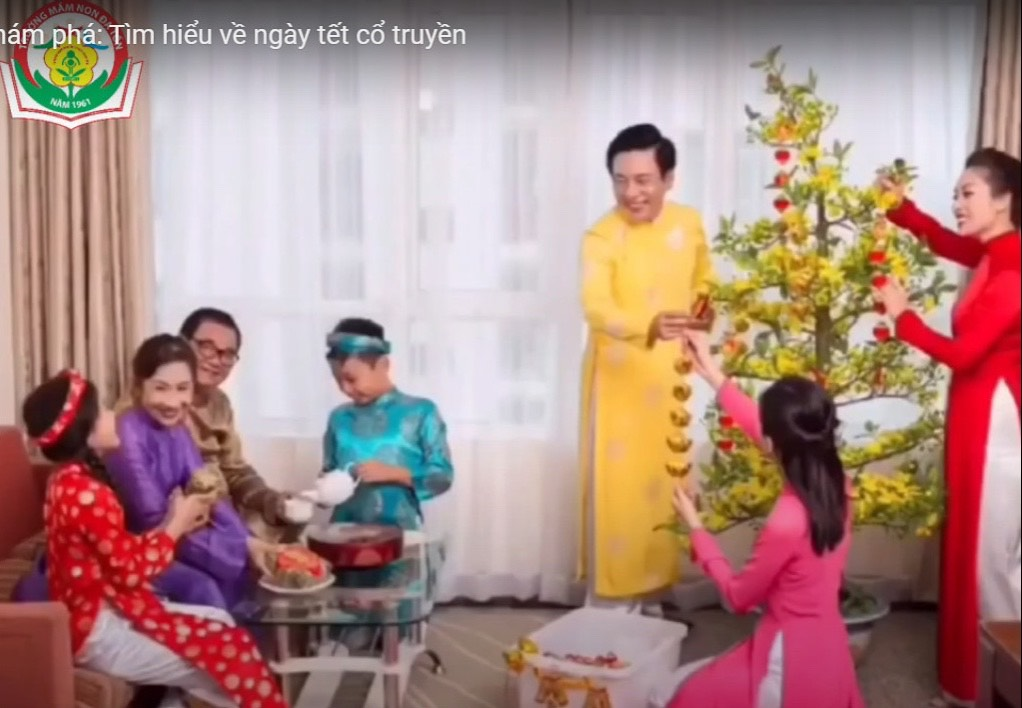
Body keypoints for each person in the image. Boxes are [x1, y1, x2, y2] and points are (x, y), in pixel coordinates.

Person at [21, 369, 288, 708]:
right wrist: (177, 523)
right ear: (85, 431)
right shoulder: (88, 493)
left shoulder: (65, 480)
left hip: (106, 608)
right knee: (231, 654)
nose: (111, 414)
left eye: (182, 388)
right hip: (96, 629)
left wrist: (172, 520)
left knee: (220, 622)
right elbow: (130, 570)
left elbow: (117, 553)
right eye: (101, 410)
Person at [872, 147, 1021, 707]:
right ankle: (969, 684)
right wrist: (900, 208)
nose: (957, 202)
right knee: (970, 552)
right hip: (973, 414)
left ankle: (1003, 687)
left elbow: (964, 354)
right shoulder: (989, 252)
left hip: (995, 425)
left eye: (968, 193)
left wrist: (903, 316)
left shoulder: (1014, 264)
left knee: (990, 562)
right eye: (956, 193)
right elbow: (941, 239)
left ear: (1004, 201)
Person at [649, 330, 864, 708]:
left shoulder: (787, 520)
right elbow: (764, 427)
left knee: (674, 695)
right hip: (830, 651)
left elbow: (738, 598)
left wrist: (697, 529)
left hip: (787, 664)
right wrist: (712, 372)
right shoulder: (838, 484)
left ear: (772, 442)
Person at [579, 123, 715, 615]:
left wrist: (704, 312)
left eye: (643, 180)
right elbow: (595, 307)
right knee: (618, 491)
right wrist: (648, 325)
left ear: (668, 179)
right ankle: (612, 597)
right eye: (620, 180)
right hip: (618, 378)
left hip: (669, 375)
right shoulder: (601, 235)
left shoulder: (688, 223)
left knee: (666, 482)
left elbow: (704, 281)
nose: (631, 192)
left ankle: (652, 591)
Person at [105, 334, 277, 610]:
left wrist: (248, 542)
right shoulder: (126, 432)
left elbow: (209, 492)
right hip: (139, 546)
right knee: (204, 586)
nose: (172, 402)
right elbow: (151, 517)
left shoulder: (178, 429)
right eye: (161, 388)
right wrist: (235, 549)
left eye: (182, 388)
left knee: (244, 573)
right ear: (139, 387)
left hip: (179, 535)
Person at [175, 308, 296, 541]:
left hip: (223, 512)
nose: (216, 360)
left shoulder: (220, 403)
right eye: (206, 347)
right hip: (180, 516)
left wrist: (270, 499)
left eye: (228, 354)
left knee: (288, 528)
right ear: (181, 344)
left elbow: (235, 471)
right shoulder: (155, 400)